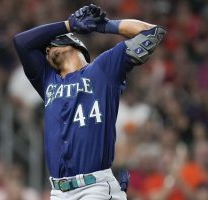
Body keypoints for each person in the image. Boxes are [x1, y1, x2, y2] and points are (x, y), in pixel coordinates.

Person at [13, 4, 166, 200]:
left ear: (75, 44)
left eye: (51, 43)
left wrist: (105, 26)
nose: (46, 48)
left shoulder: (103, 69)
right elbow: (21, 42)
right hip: (58, 192)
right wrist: (68, 25)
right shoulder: (47, 80)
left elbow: (152, 32)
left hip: (95, 188)